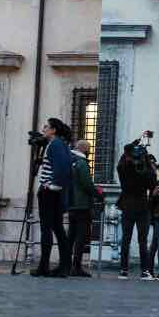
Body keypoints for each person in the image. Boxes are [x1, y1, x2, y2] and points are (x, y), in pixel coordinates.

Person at [31, 118, 73, 278]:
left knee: (47, 229)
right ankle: (63, 266)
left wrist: (52, 185)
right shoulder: (58, 144)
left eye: (46, 126)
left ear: (53, 130)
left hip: (49, 193)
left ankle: (45, 266)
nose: (43, 129)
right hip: (53, 192)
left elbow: (62, 167)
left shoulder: (55, 144)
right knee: (57, 229)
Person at [116, 141, 157, 280]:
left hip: (128, 206)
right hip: (142, 207)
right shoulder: (145, 170)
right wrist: (148, 163)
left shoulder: (123, 168)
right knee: (142, 241)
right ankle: (144, 271)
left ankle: (123, 270)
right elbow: (153, 185)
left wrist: (134, 144)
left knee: (125, 239)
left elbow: (122, 159)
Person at [66, 140, 101, 278]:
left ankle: (66, 264)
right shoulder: (81, 163)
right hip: (82, 205)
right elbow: (87, 184)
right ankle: (76, 266)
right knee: (81, 237)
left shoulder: (70, 161)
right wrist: (98, 194)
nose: (90, 151)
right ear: (83, 149)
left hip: (72, 204)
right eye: (89, 148)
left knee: (71, 236)